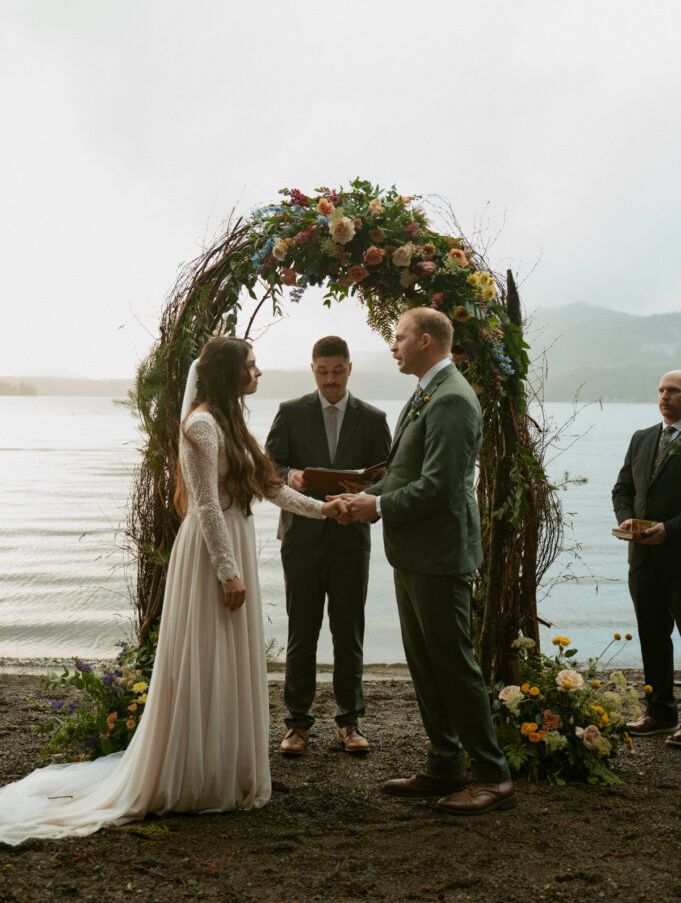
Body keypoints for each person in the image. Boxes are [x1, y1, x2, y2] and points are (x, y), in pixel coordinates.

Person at [0, 337, 347, 845]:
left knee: (230, 660)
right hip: (212, 555)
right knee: (206, 658)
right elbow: (206, 505)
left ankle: (225, 768)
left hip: (235, 540)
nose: (259, 372)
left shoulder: (230, 422)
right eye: (252, 365)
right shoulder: (202, 425)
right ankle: (195, 775)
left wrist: (324, 509)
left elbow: (268, 486)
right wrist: (228, 573)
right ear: (231, 373)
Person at [337, 308, 515, 814]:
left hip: (440, 555)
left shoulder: (454, 399)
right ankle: (445, 763)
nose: (393, 346)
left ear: (428, 340)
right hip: (414, 553)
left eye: (399, 337)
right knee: (424, 663)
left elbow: (438, 488)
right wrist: (363, 498)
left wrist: (377, 505)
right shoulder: (424, 394)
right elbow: (402, 472)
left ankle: (492, 775)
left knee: (454, 666)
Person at [265, 336, 391, 756]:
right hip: (301, 538)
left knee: (348, 630)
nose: (331, 379)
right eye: (323, 372)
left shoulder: (374, 419)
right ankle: (297, 725)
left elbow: (389, 476)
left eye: (338, 371)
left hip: (352, 538)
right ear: (313, 369)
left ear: (350, 368)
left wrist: (365, 494)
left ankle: (349, 722)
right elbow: (269, 468)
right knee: (301, 630)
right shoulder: (290, 412)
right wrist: (291, 476)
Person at [612, 369, 681, 747]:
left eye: (673, 391)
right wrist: (625, 518)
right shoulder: (641, 439)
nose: (665, 396)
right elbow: (622, 488)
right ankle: (660, 712)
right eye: (661, 390)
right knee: (652, 635)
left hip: (679, 555)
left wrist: (670, 528)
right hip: (642, 558)